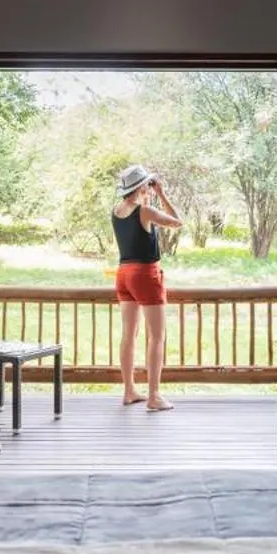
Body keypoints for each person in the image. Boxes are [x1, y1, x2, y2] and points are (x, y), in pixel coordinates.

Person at [111, 164, 181, 410]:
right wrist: (161, 194)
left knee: (129, 334)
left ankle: (129, 390)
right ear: (142, 187)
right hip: (145, 273)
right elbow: (177, 222)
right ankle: (154, 396)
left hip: (123, 274)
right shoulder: (145, 211)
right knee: (156, 336)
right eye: (147, 184)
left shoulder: (117, 210)